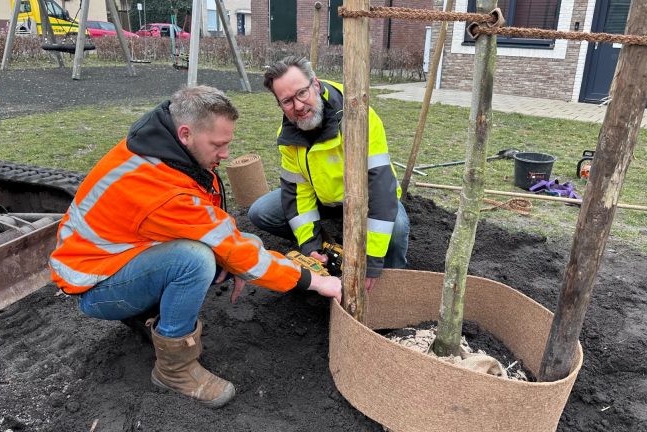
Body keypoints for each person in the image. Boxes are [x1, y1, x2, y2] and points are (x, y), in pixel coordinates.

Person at [48, 85, 342, 409]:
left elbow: (221, 232)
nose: (226, 154)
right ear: (186, 133)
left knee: (242, 247)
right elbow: (228, 245)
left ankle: (149, 315)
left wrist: (240, 258)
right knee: (195, 261)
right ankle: (174, 370)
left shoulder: (165, 148)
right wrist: (314, 280)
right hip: (95, 283)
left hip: (118, 255)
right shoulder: (161, 189)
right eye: (218, 145)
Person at [248, 56, 409, 291]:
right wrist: (310, 243)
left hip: (366, 199)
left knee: (395, 229)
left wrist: (372, 261)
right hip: (323, 199)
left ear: (315, 84)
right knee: (261, 212)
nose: (299, 106)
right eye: (287, 101)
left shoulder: (358, 116)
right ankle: (329, 248)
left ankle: (392, 282)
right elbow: (297, 192)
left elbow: (380, 188)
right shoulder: (287, 135)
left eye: (302, 93)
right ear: (279, 105)